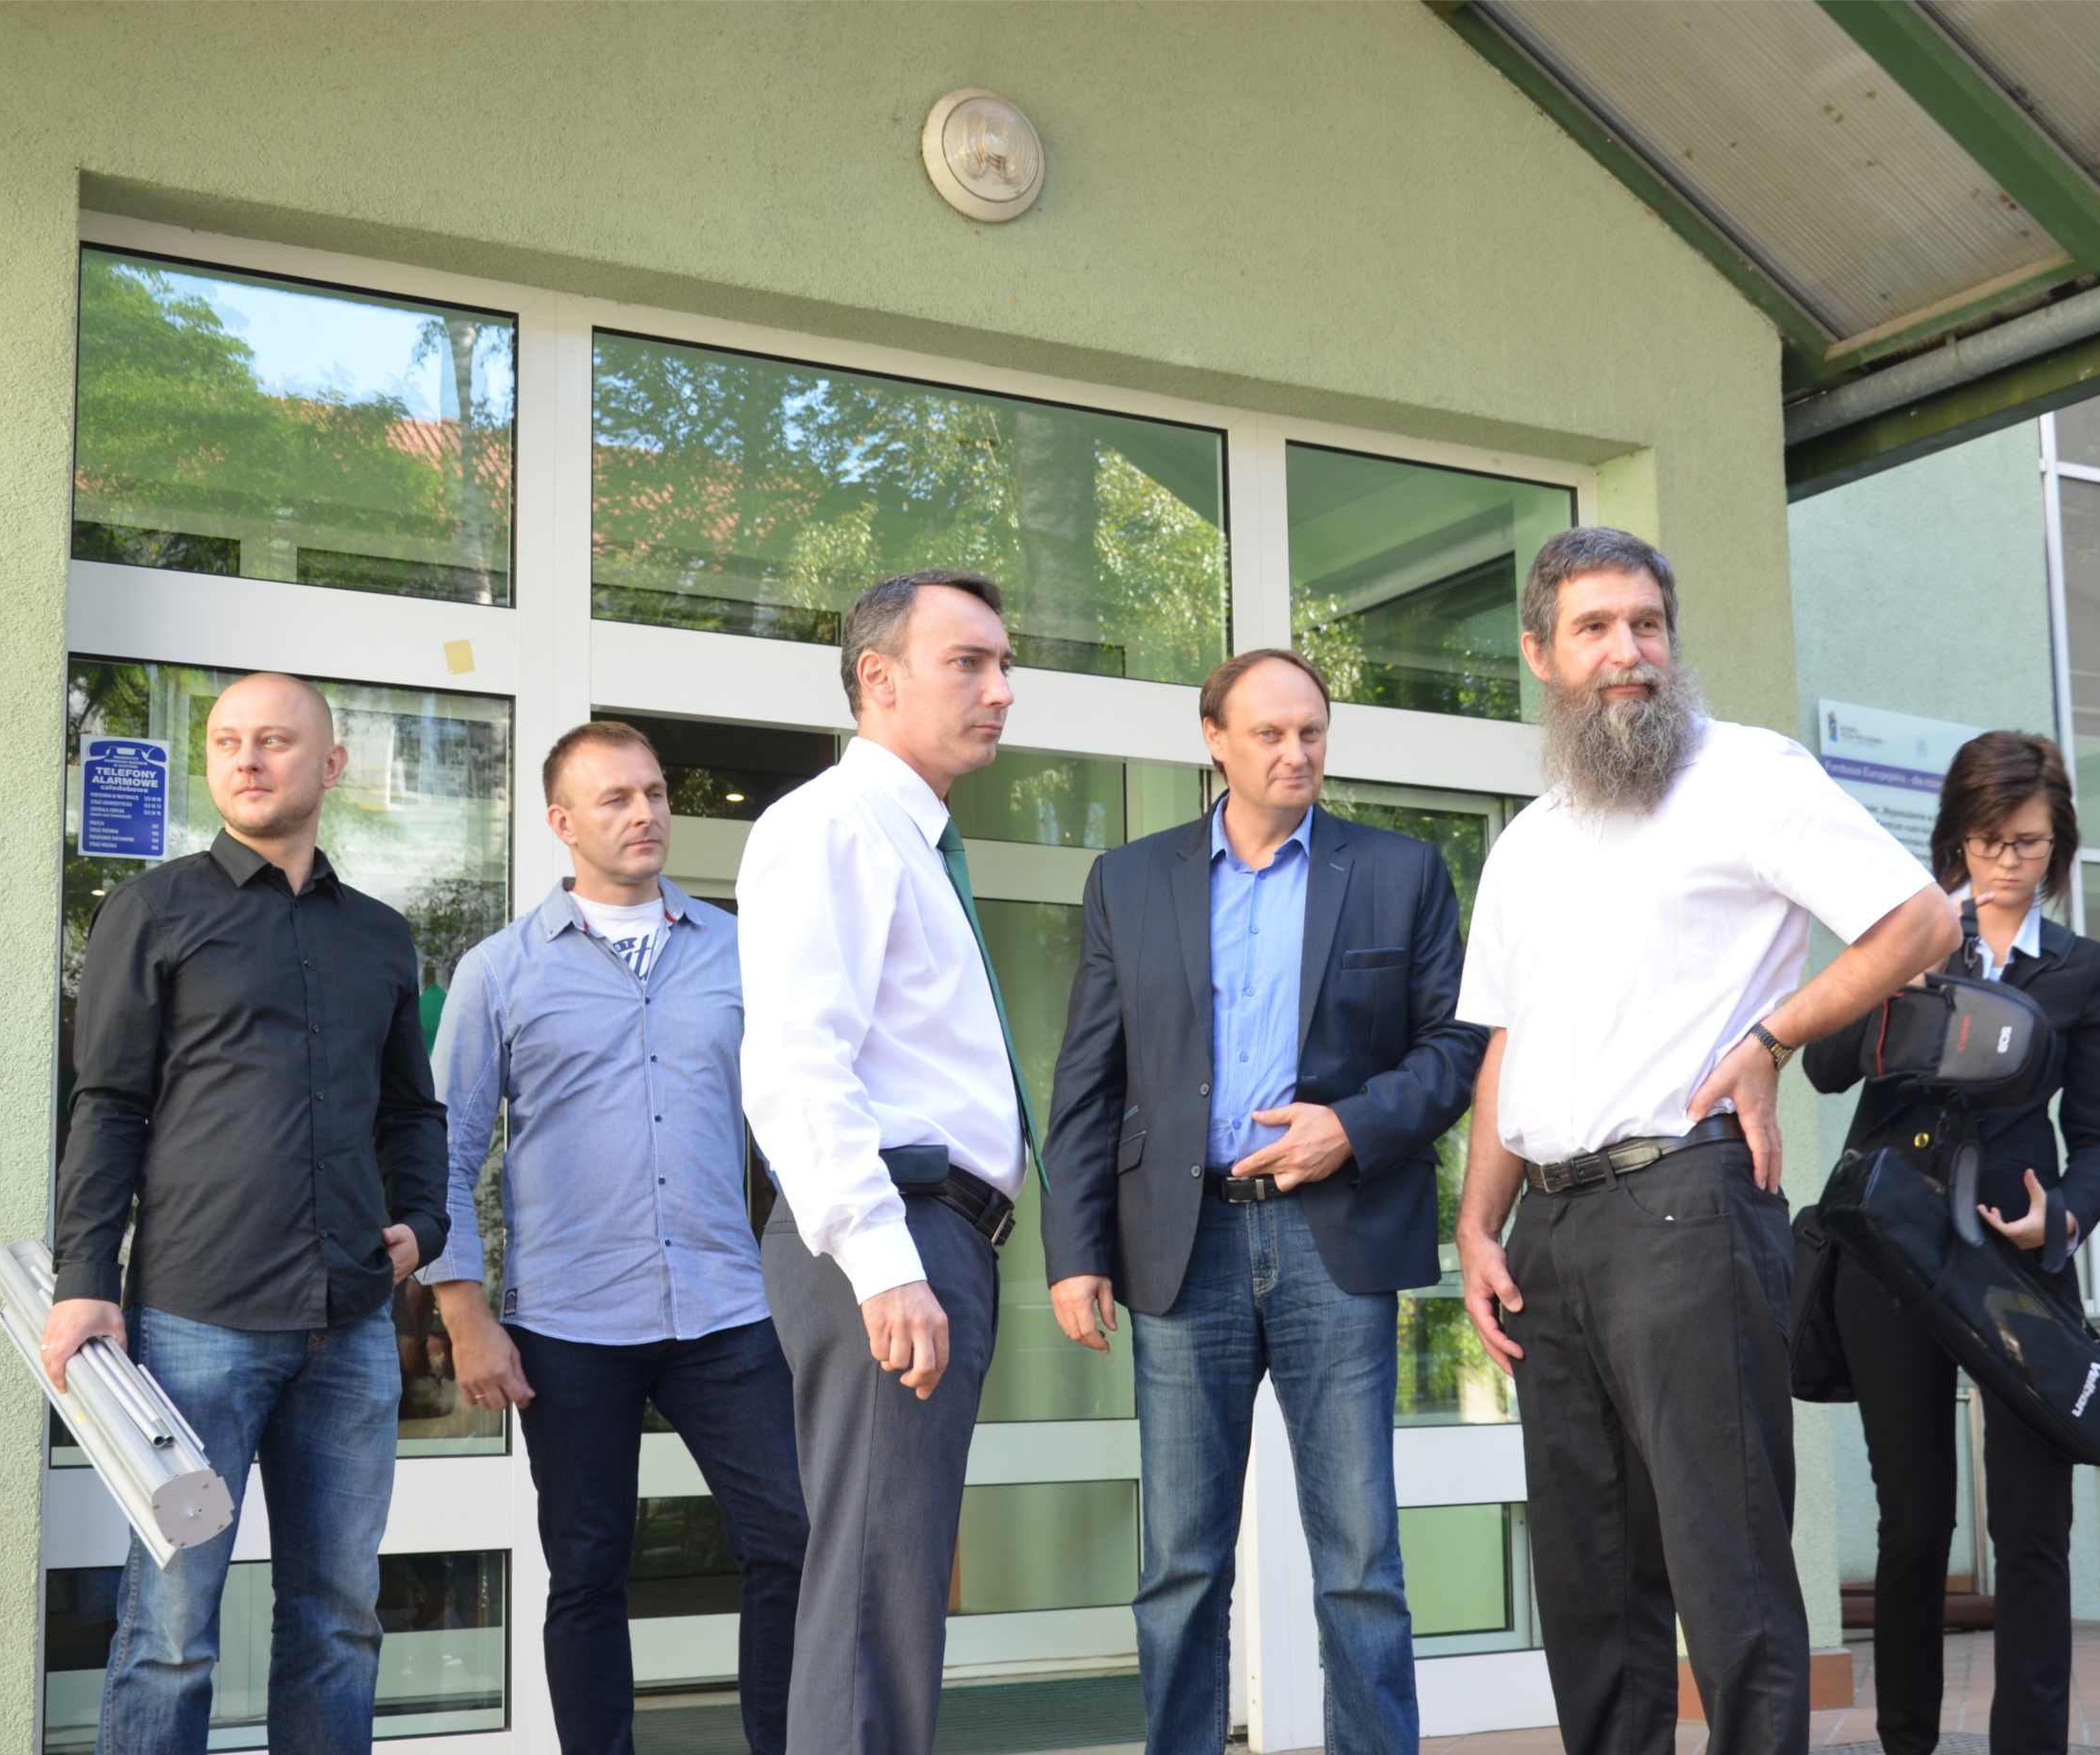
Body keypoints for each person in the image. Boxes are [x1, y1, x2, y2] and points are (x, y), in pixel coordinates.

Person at [1452, 527, 1961, 1755]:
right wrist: (1475, 1224)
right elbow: (1509, 1041)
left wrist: (1772, 1039)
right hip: (1551, 1233)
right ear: (1540, 654)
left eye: (1647, 624)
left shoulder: (1747, 775)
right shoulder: (1526, 844)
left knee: (1727, 1571)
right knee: (1591, 1589)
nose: (1627, 651)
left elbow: (1920, 924)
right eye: (1594, 628)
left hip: (1686, 1206)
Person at [1045, 649, 1489, 1754]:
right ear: (1215, 741)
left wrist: (1353, 1126)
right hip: (1181, 1242)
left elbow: (1456, 1047)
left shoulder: (1397, 872)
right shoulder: (1128, 881)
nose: (1297, 753)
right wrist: (1075, 1248)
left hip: (1334, 1238)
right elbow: (1089, 1080)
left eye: (1312, 733)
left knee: (1359, 1560)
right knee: (1180, 1563)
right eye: (1270, 734)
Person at [46, 671, 448, 1755]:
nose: (247, 758)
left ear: (332, 765)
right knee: (171, 1631)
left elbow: (411, 1109)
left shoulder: (381, 936)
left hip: (349, 1330)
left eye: (274, 739)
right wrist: (86, 1279)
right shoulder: (152, 910)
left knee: (339, 1623)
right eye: (226, 741)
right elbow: (108, 1104)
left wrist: (425, 1222)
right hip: (196, 1328)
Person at [422, 720, 805, 1755]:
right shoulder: (499, 971)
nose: (646, 814)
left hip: (726, 1312)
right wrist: (466, 1316)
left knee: (792, 1537)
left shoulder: (739, 950)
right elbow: (443, 1154)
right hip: (569, 1325)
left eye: (655, 793)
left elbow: (795, 1126)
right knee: (588, 1570)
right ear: (562, 823)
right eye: (616, 799)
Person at [737, 570, 1041, 1754]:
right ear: (879, 677)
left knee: (895, 1587)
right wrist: (884, 1260)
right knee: (873, 1592)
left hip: (934, 1232)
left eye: (1004, 665)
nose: (1000, 690)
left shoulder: (910, 838)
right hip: (893, 1226)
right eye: (969, 662)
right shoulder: (832, 826)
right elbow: (796, 1063)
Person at [1804, 730, 2100, 1755]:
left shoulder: (2081, 967)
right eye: (1988, 841)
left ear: (2056, 843)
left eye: (2028, 843)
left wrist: (2061, 1215)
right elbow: (1822, 1067)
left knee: (2032, 1527)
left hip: (2017, 1266)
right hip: (1888, 1259)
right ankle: (1907, 1740)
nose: (2006, 861)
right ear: (1956, 838)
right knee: (1913, 1526)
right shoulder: (1905, 934)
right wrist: (1905, 960)